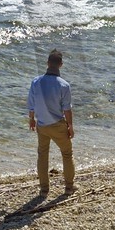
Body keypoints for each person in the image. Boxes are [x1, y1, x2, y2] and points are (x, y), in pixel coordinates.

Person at [27, 49, 75, 195]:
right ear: (61, 65)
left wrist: (31, 119)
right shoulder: (64, 85)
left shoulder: (35, 82)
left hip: (41, 125)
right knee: (67, 154)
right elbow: (67, 109)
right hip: (58, 124)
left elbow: (31, 104)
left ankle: (44, 189)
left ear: (47, 63)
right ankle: (68, 187)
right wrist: (70, 126)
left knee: (42, 155)